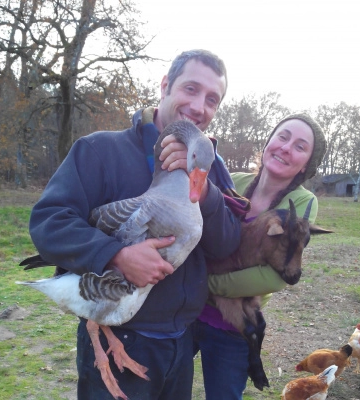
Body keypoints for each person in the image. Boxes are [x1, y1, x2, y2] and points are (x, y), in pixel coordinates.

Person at [27, 49, 243, 400]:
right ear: (165, 85)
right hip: (120, 335)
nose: (200, 106)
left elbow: (225, 245)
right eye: (190, 89)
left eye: (212, 99)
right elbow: (48, 223)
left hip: (182, 343)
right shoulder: (99, 151)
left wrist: (204, 191)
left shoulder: (210, 166)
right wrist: (116, 255)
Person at [192, 113, 328, 399]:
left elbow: (275, 276)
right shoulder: (232, 181)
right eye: (282, 136)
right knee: (165, 388)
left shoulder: (302, 204)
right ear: (268, 142)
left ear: (306, 166)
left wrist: (203, 284)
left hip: (232, 323)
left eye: (300, 147)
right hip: (185, 311)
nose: (286, 147)